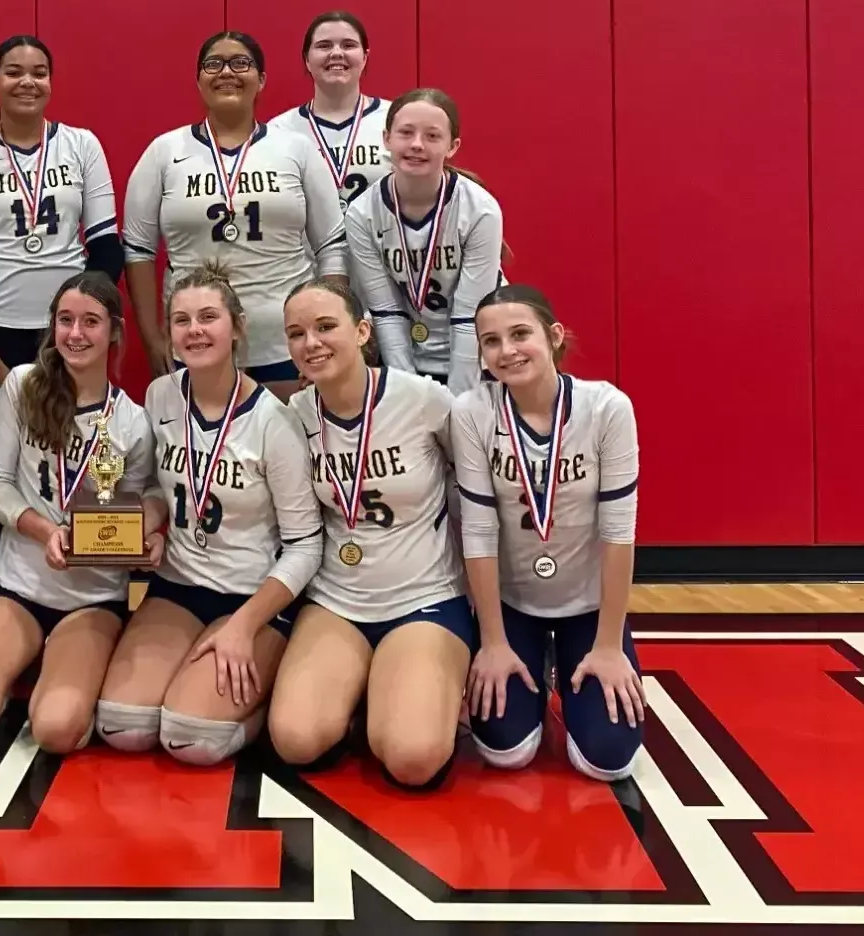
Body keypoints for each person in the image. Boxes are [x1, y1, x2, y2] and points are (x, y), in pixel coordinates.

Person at [94, 263, 324, 766]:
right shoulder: (160, 395)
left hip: (252, 596)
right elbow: (154, 484)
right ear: (170, 334)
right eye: (181, 320)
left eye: (208, 317)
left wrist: (243, 627)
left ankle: (269, 690)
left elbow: (306, 545)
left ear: (237, 327)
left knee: (191, 738)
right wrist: (151, 526)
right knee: (120, 727)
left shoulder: (275, 423)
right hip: (179, 586)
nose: (194, 330)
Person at [0, 272, 164, 754]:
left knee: (56, 731)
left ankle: (64, 678)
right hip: (20, 589)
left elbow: (147, 496)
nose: (76, 334)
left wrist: (144, 530)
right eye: (65, 321)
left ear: (115, 332)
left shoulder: (133, 420)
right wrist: (43, 530)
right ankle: (17, 673)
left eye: (90, 322)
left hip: (94, 596)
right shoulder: (21, 386)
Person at [267, 277, 475, 789]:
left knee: (412, 756)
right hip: (337, 601)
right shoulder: (292, 418)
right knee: (295, 739)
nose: (311, 343)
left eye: (325, 327)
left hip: (423, 598)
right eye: (297, 334)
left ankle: (414, 685)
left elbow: (475, 491)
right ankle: (367, 688)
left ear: (362, 331)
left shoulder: (424, 400)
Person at [449, 284, 644, 782]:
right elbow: (477, 531)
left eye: (520, 334)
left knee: (608, 761)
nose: (507, 351)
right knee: (504, 750)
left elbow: (619, 534)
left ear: (554, 336)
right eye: (491, 341)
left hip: (589, 605)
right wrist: (491, 641)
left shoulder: (606, 408)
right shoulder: (473, 412)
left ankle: (576, 652)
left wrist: (609, 647)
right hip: (514, 605)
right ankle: (531, 654)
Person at [123, 31, 347, 401]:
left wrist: (330, 326)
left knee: (292, 452)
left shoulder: (295, 149)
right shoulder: (164, 152)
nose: (226, 72)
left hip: (288, 342)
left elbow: (331, 246)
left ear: (261, 80)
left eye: (241, 63)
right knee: (209, 456)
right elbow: (137, 251)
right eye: (213, 64)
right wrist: (152, 337)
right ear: (198, 80)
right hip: (196, 340)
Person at [0, 36, 125, 385]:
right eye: (13, 72)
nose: (27, 82)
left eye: (39, 73)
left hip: (68, 330)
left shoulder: (82, 145)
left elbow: (107, 250)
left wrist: (80, 325)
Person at [342, 89, 504, 394]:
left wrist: (460, 402)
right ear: (387, 138)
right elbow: (386, 310)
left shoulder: (480, 210)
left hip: (478, 357)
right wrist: (411, 395)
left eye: (432, 136)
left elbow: (470, 315)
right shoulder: (362, 213)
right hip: (406, 357)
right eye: (406, 133)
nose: (417, 144)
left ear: (452, 146)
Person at [266, 11, 391, 209]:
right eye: (324, 46)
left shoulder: (395, 119)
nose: (336, 53)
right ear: (307, 59)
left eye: (348, 45)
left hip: (381, 240)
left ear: (365, 57)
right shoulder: (279, 130)